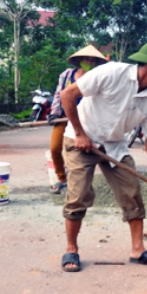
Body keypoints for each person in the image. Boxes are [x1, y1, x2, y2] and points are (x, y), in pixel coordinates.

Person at [59, 42, 147, 272]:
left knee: (131, 192)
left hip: (114, 145)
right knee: (79, 194)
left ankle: (138, 250)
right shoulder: (112, 72)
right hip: (81, 140)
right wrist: (80, 133)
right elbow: (68, 94)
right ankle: (71, 249)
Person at [47, 45, 107, 194]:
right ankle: (62, 179)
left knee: (86, 152)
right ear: (80, 60)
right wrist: (54, 112)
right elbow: (58, 94)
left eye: (93, 60)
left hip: (86, 120)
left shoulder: (97, 77)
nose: (90, 62)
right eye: (87, 59)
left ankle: (83, 184)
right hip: (65, 117)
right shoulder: (67, 75)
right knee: (55, 148)